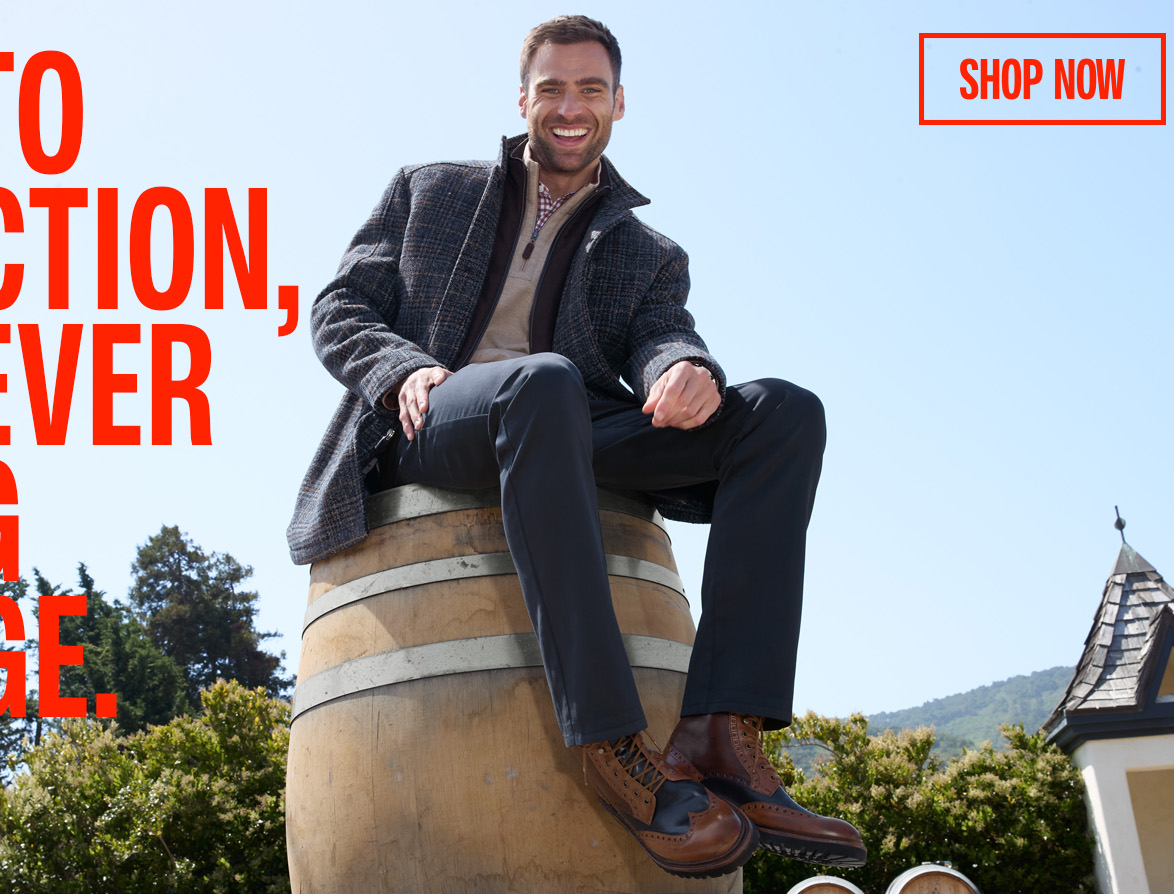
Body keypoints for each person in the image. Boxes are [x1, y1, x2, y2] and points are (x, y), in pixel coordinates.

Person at [287, 14, 866, 879]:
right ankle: (611, 746)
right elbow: (337, 308)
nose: (570, 106)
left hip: (565, 431)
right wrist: (402, 369)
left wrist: (686, 369)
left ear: (618, 104)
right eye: (552, 87)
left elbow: (664, 334)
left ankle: (720, 730)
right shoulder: (430, 189)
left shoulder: (648, 250)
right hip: (436, 421)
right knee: (545, 380)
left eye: (590, 89)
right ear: (523, 98)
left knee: (784, 411)